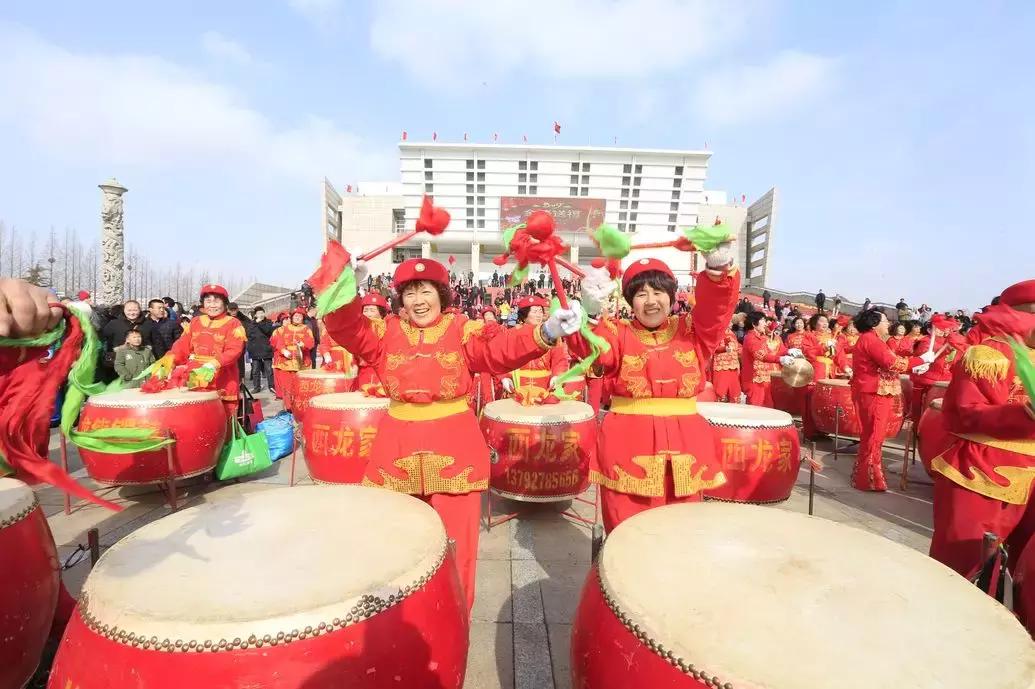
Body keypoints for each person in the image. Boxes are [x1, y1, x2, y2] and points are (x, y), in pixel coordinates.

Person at [322, 255, 580, 610]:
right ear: (401, 300)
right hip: (395, 453)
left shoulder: (463, 329)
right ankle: (405, 622)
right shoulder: (384, 331)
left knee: (457, 554)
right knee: (397, 550)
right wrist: (345, 289)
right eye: (410, 293)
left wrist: (546, 332)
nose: (418, 301)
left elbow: (499, 350)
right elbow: (343, 327)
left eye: (426, 291)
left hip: (455, 454)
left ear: (441, 295)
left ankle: (455, 622)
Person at [571, 237, 739, 532]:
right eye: (641, 294)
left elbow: (716, 310)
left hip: (687, 448)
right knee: (627, 533)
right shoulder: (617, 332)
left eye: (658, 292)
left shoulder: (694, 330)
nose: (650, 301)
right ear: (629, 301)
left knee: (681, 534)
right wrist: (591, 312)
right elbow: (592, 349)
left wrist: (717, 272)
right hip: (627, 448)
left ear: (672, 297)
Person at [928, 280, 1035, 577]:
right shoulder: (989, 355)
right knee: (962, 565)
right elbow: (962, 414)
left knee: (1025, 574)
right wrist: (1023, 415)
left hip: (1029, 478)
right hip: (984, 472)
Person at [847, 309, 929, 490]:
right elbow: (892, 363)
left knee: (872, 435)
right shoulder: (871, 340)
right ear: (874, 324)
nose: (888, 324)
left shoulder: (871, 339)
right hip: (874, 392)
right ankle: (868, 480)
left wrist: (914, 366)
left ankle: (866, 476)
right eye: (885, 321)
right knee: (874, 435)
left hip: (873, 391)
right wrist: (920, 360)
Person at [163, 284, 247, 420]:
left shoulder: (233, 323)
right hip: (195, 376)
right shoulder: (195, 321)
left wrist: (214, 363)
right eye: (208, 301)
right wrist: (169, 362)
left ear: (225, 303)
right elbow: (181, 345)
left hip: (223, 377)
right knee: (196, 418)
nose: (212, 305)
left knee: (223, 420)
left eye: (216, 301)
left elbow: (234, 350)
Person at [501, 296, 568, 403]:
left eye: (540, 311)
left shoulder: (551, 334)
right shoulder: (512, 334)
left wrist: (556, 376)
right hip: (517, 387)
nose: (539, 315)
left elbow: (560, 360)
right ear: (524, 315)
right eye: (535, 311)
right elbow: (502, 358)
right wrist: (505, 377)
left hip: (545, 387)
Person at [908, 315, 967, 423]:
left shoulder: (945, 341)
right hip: (924, 379)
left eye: (942, 328)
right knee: (920, 407)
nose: (941, 330)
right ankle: (917, 427)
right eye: (938, 328)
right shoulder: (926, 341)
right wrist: (946, 349)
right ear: (929, 330)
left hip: (942, 379)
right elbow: (925, 354)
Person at [741, 312, 796, 406]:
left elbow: (772, 352)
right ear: (754, 324)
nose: (765, 323)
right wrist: (780, 359)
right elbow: (760, 355)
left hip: (764, 377)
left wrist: (788, 351)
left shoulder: (762, 337)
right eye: (762, 320)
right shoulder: (750, 338)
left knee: (768, 405)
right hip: (754, 379)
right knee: (756, 406)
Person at [270, 308, 315, 407]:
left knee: (301, 386)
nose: (297, 318)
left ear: (303, 318)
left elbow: (311, 342)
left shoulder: (306, 329)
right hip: (286, 362)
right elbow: (279, 342)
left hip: (302, 361)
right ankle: (288, 407)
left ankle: (300, 406)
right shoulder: (284, 329)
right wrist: (283, 351)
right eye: (295, 316)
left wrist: (303, 344)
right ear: (292, 317)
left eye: (300, 316)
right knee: (287, 386)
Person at [246, 307, 276, 393]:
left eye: (262, 313)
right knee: (255, 370)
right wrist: (255, 323)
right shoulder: (251, 323)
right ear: (255, 315)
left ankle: (272, 386)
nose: (261, 315)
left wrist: (259, 323)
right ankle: (257, 387)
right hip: (255, 350)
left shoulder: (268, 322)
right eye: (259, 313)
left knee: (269, 369)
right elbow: (248, 334)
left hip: (266, 349)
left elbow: (268, 331)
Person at [711, 322, 742, 403]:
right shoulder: (717, 332)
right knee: (721, 393)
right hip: (721, 366)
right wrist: (724, 349)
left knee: (735, 393)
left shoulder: (732, 334)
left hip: (733, 366)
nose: (731, 323)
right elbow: (713, 347)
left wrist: (741, 350)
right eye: (729, 321)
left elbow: (737, 347)